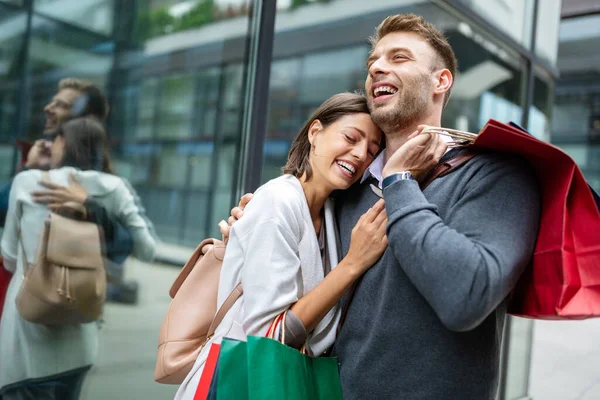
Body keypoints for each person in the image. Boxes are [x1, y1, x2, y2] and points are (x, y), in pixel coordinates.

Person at [222, 13, 541, 400]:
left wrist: (400, 182)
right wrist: (252, 226)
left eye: (399, 58)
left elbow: (467, 298)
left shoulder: (495, 173)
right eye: (373, 62)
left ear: (441, 81)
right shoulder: (348, 188)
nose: (377, 68)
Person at [175, 92, 389, 399]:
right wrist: (353, 264)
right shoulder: (278, 202)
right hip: (242, 380)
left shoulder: (329, 213)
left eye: (372, 151)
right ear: (315, 133)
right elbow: (270, 336)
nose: (360, 155)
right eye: (351, 138)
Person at [0, 117, 156, 399]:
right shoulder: (114, 188)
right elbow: (147, 249)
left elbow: (9, 258)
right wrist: (94, 211)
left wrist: (31, 166)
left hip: (26, 340)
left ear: (63, 143)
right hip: (81, 337)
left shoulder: (28, 181)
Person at [0, 78, 155, 305]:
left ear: (83, 118)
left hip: (69, 298)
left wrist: (92, 208)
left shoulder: (104, 182)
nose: (48, 108)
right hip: (15, 291)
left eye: (61, 105)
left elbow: (128, 248)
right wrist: (30, 167)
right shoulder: (35, 159)